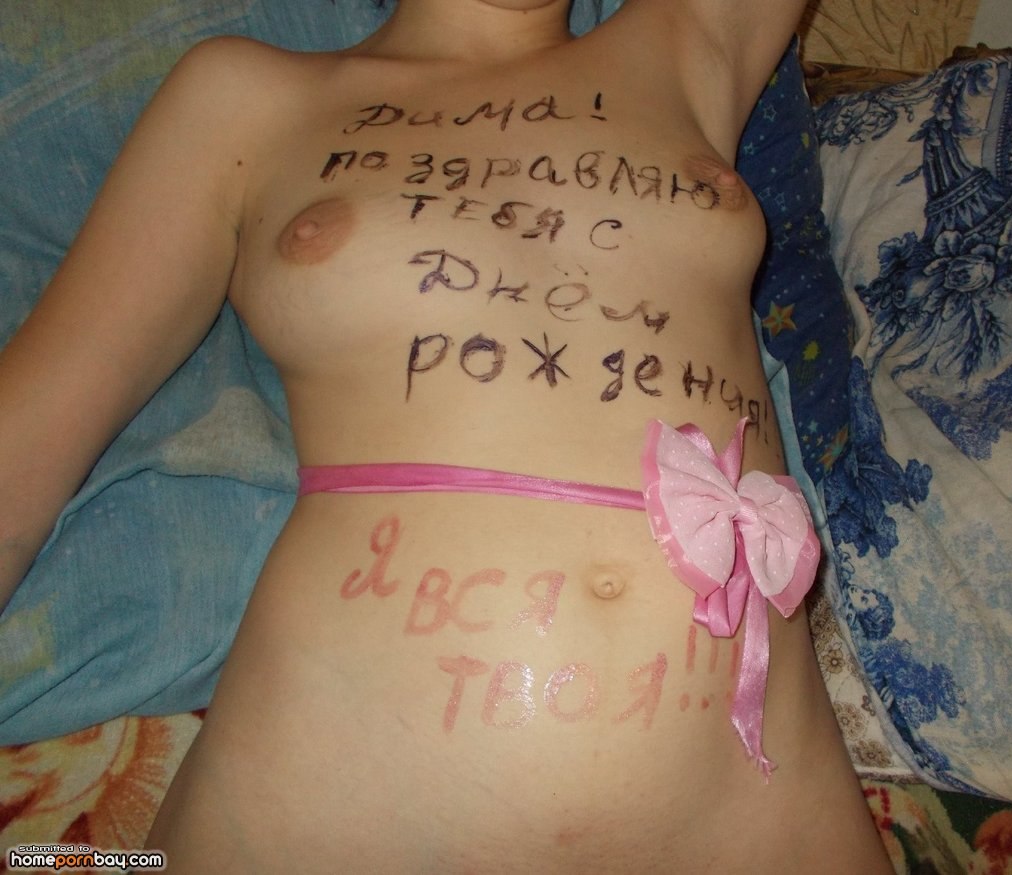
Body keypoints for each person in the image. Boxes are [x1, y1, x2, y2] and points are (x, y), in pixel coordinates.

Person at [0, 0, 891, 870]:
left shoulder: (685, 43)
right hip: (320, 813)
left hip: (758, 815)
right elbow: (26, 444)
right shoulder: (242, 97)